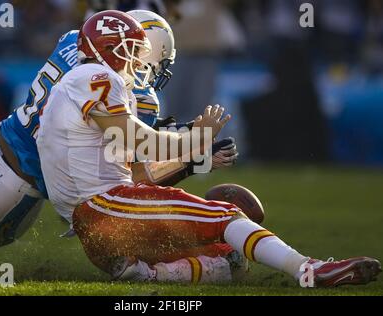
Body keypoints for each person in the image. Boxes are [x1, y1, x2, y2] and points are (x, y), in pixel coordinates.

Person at [37, 10, 381, 287]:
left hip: (103, 228)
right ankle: (310, 270)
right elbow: (140, 141)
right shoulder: (94, 76)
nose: (137, 63)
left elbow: (137, 175)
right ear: (108, 48)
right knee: (226, 215)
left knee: (230, 260)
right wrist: (196, 139)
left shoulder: (80, 88)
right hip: (106, 210)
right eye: (131, 51)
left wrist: (194, 160)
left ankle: (142, 273)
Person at [0, 9, 241, 285]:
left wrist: (178, 139)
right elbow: (132, 178)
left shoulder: (74, 41)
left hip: (3, 134)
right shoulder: (138, 96)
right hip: (21, 178)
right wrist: (194, 158)